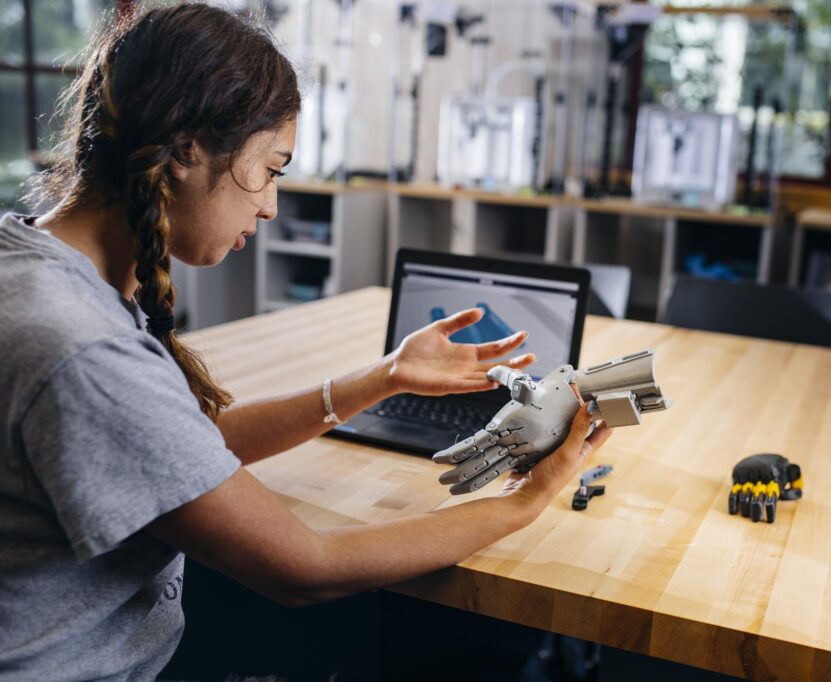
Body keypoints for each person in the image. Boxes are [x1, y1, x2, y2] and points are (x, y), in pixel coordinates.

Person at [0, 3, 611, 679]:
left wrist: (383, 379)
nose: (270, 205)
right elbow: (306, 568)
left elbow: (173, 452)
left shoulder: (30, 261)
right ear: (185, 150)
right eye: (271, 168)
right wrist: (529, 498)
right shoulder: (81, 348)